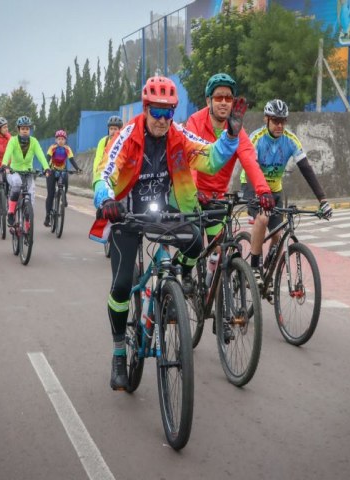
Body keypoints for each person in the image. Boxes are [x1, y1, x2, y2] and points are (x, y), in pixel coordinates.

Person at [88, 75, 246, 391]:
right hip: (126, 215)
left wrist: (231, 133)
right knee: (120, 287)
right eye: (156, 111)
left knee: (195, 240)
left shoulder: (177, 134)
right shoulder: (128, 135)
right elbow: (105, 172)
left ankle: (177, 282)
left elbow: (212, 158)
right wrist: (105, 199)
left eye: (168, 112)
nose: (162, 119)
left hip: (163, 211)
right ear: (146, 108)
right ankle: (120, 351)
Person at [246, 99, 332, 283]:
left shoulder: (290, 140)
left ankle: (268, 269)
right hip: (253, 186)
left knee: (278, 235)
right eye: (275, 121)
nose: (279, 125)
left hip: (275, 190)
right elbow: (251, 167)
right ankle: (253, 266)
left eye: (283, 121)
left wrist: (322, 200)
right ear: (266, 119)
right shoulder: (256, 138)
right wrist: (261, 194)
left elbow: (306, 169)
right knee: (262, 218)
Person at [185, 73, 274, 242]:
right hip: (193, 196)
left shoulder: (236, 128)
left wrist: (263, 191)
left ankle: (215, 265)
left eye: (229, 98)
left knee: (219, 250)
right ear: (208, 101)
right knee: (192, 247)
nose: (224, 102)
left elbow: (249, 160)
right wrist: (194, 191)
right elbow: (191, 159)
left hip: (217, 197)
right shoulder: (195, 122)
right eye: (219, 97)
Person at [1, 116, 50, 227]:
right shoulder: (13, 141)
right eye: (22, 128)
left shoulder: (34, 142)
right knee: (17, 184)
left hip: (28, 173)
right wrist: (5, 165)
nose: (25, 131)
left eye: (27, 129)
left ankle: (28, 223)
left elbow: (41, 155)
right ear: (18, 129)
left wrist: (46, 168)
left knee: (31, 194)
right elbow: (7, 153)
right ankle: (11, 213)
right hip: (14, 172)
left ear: (29, 130)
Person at [44, 129, 79, 226]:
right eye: (58, 139)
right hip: (52, 171)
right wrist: (45, 168)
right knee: (50, 194)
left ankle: (64, 196)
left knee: (66, 180)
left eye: (62, 139)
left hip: (62, 170)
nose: (60, 141)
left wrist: (77, 169)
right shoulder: (52, 147)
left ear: (65, 140)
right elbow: (47, 158)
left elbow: (71, 160)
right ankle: (47, 217)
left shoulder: (67, 149)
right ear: (56, 140)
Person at [92, 115, 123, 190]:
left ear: (120, 130)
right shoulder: (103, 141)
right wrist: (96, 175)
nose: (113, 131)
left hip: (119, 179)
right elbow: (98, 159)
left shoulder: (123, 142)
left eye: (115, 129)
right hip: (104, 177)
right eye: (111, 129)